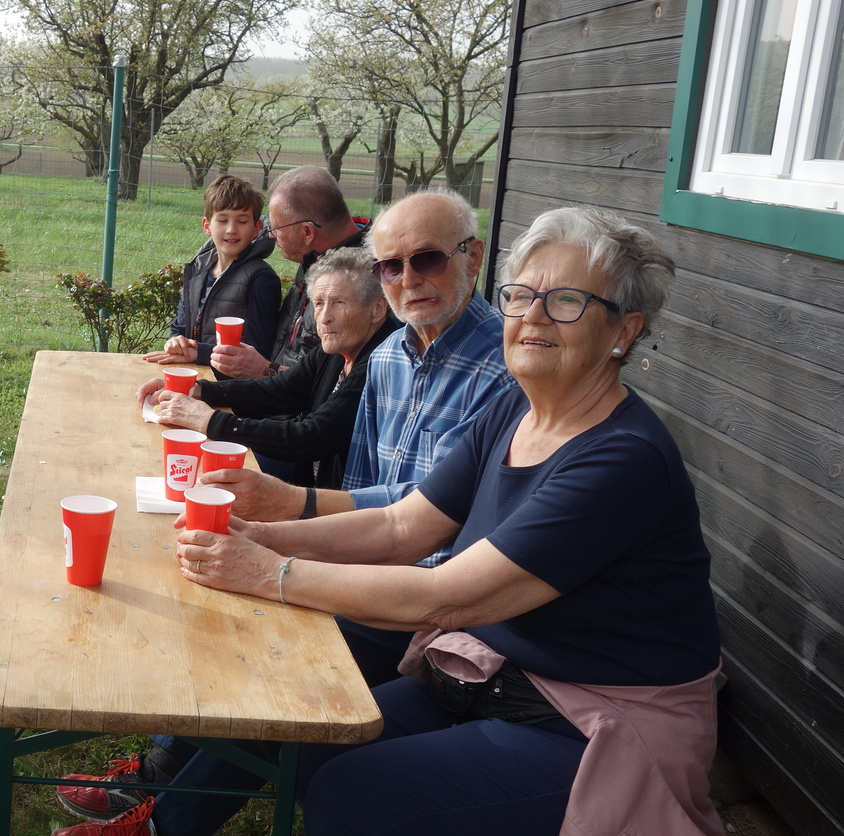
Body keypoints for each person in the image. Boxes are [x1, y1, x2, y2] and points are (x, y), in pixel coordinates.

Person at [87, 206, 725, 836]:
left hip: (589, 723)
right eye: (522, 296)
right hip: (484, 676)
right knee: (306, 732)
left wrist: (268, 571)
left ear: (623, 331)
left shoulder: (622, 459)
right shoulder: (516, 410)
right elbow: (401, 526)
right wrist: (257, 535)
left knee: (352, 795)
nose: (532, 317)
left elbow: (447, 597)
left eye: (565, 302)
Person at [58, 189, 517, 823]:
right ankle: (157, 775)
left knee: (275, 661)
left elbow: (424, 522)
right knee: (231, 607)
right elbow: (365, 489)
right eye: (391, 265)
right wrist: (283, 521)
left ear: (473, 256)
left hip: (434, 600)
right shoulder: (393, 354)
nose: (408, 279)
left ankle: (162, 820)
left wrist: (291, 510)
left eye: (428, 259)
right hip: (371, 560)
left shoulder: (506, 371)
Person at [135, 247, 399, 489]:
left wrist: (209, 420)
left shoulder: (379, 361)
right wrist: (198, 391)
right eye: (319, 303)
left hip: (347, 512)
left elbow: (312, 437)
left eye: (339, 302)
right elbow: (281, 389)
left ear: (377, 309)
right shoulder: (339, 346)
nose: (324, 317)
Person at [210, 165, 369, 381]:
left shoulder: (360, 282)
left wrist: (264, 370)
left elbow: (336, 386)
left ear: (307, 232)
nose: (271, 235)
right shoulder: (314, 256)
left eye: (276, 228)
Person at [143, 174, 279, 375]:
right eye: (222, 220)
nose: (231, 230)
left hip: (232, 386)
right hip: (192, 375)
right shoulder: (197, 271)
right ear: (207, 226)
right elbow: (180, 327)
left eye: (242, 221)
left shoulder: (261, 279)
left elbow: (258, 350)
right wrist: (176, 342)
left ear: (256, 228)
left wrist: (198, 353)